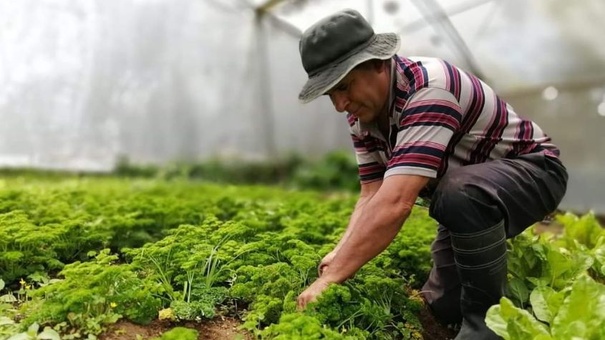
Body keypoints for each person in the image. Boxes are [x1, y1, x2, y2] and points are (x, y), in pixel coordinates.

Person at [294, 8, 568, 340]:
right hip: (466, 192)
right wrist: (342, 249)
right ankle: (460, 313)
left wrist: (329, 280)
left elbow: (395, 202)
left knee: (457, 193)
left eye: (345, 87)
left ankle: (487, 327)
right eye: (331, 94)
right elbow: (372, 193)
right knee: (443, 304)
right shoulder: (363, 114)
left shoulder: (429, 88)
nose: (340, 104)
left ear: (378, 63)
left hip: (535, 172)